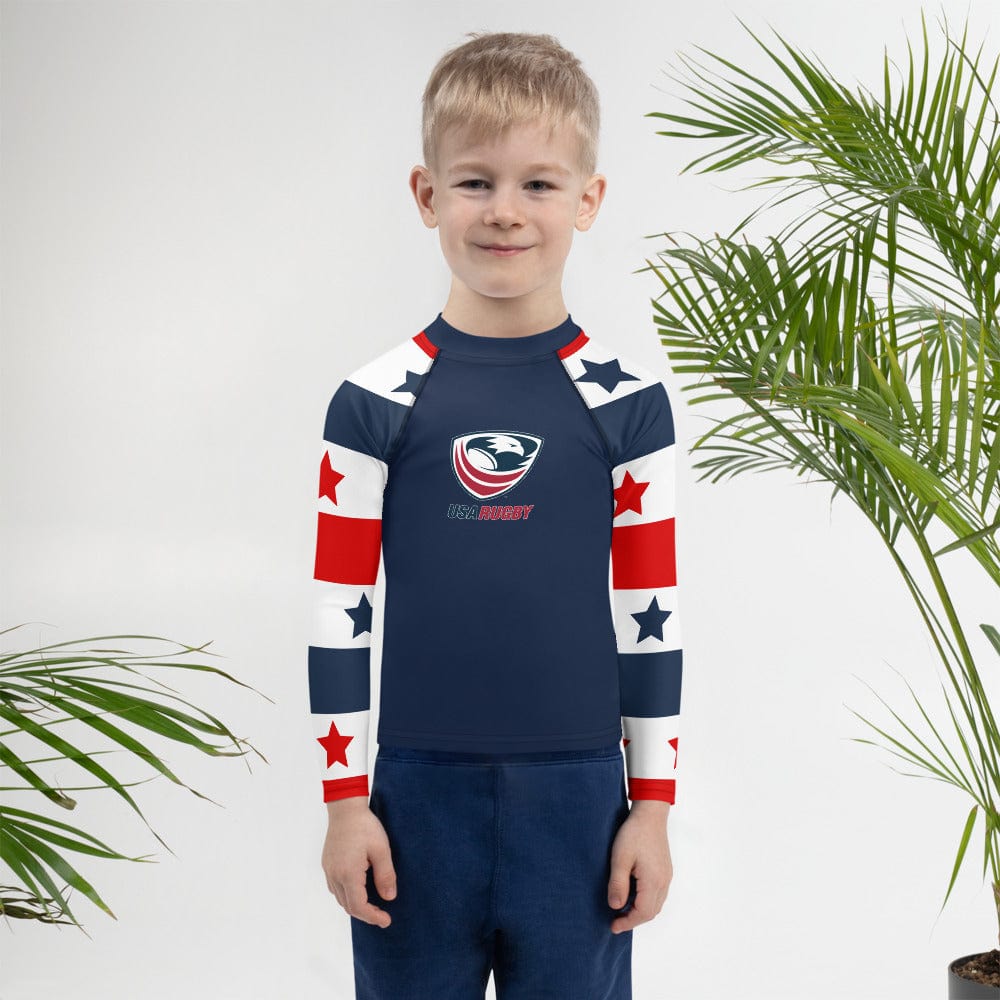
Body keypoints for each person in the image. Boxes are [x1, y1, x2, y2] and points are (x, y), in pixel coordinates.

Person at [308, 30, 682, 1000]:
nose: (505, 212)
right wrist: (347, 804)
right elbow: (337, 609)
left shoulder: (628, 404)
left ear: (588, 200)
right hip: (413, 801)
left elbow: (653, 614)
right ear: (426, 194)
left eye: (539, 185)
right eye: (475, 182)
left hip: (580, 803)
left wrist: (652, 811)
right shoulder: (372, 401)